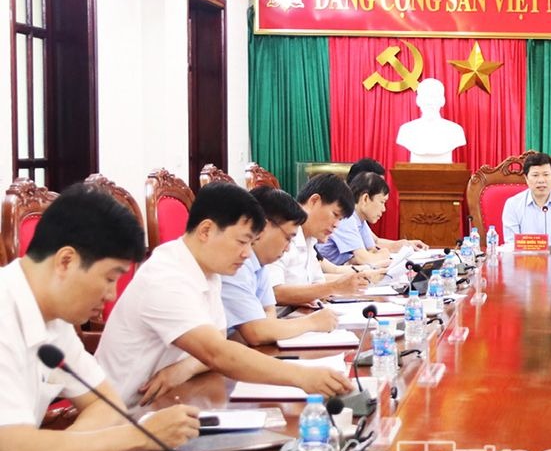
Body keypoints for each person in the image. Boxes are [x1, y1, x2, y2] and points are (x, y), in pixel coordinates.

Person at [0, 185, 199, 451]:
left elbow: (106, 403)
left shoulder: (54, 318)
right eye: (109, 278)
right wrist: (141, 436)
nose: (111, 295)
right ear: (66, 261)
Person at [96, 183, 354, 407]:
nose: (247, 253)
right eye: (242, 242)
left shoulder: (209, 271)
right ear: (206, 231)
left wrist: (184, 369)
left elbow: (219, 341)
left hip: (172, 398)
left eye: (251, 243)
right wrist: (302, 377)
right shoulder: (167, 277)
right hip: (127, 413)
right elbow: (218, 353)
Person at [221, 187, 339, 345]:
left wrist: (265, 329)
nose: (288, 248)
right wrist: (312, 323)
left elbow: (268, 316)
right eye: (288, 238)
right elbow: (257, 333)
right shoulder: (237, 263)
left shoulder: (260, 264)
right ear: (263, 227)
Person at [267, 174, 378, 307]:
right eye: (335, 215)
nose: (336, 225)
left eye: (340, 219)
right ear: (314, 201)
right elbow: (273, 292)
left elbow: (317, 283)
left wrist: (350, 282)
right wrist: (334, 287)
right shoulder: (282, 233)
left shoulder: (310, 239)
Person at [501, 152, 551, 248]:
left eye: (546, 174)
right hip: (523, 256)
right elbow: (511, 244)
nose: (541, 180)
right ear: (526, 178)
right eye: (535, 175)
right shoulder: (512, 204)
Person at [395, 78, 467, 163]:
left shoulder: (455, 130)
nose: (429, 102)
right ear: (418, 100)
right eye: (425, 97)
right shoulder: (406, 130)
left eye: (434, 97)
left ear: (442, 101)